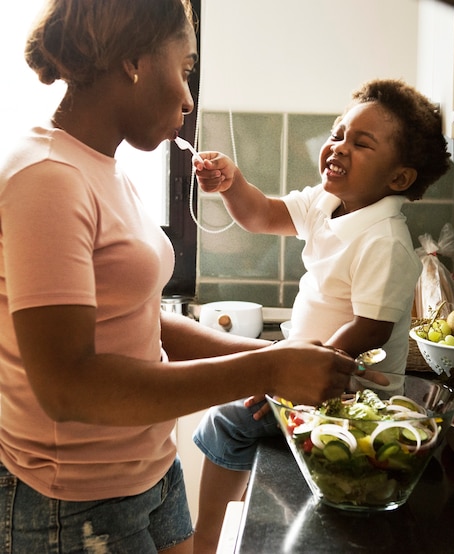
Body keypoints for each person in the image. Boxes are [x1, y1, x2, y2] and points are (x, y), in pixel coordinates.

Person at [0, 1, 376, 552]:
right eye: (184, 69)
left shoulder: (101, 166)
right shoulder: (47, 178)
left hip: (147, 474)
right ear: (133, 61)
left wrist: (270, 360)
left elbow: (140, 323)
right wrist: (269, 369)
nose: (187, 97)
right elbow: (67, 385)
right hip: (72, 503)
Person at [192, 78, 450, 552]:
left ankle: (204, 541)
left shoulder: (385, 240)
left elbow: (370, 329)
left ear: (399, 179)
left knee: (226, 419)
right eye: (338, 133)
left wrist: (287, 373)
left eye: (361, 143)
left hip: (346, 395)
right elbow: (262, 215)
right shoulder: (326, 202)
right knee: (234, 414)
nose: (339, 147)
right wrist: (232, 184)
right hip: (304, 373)